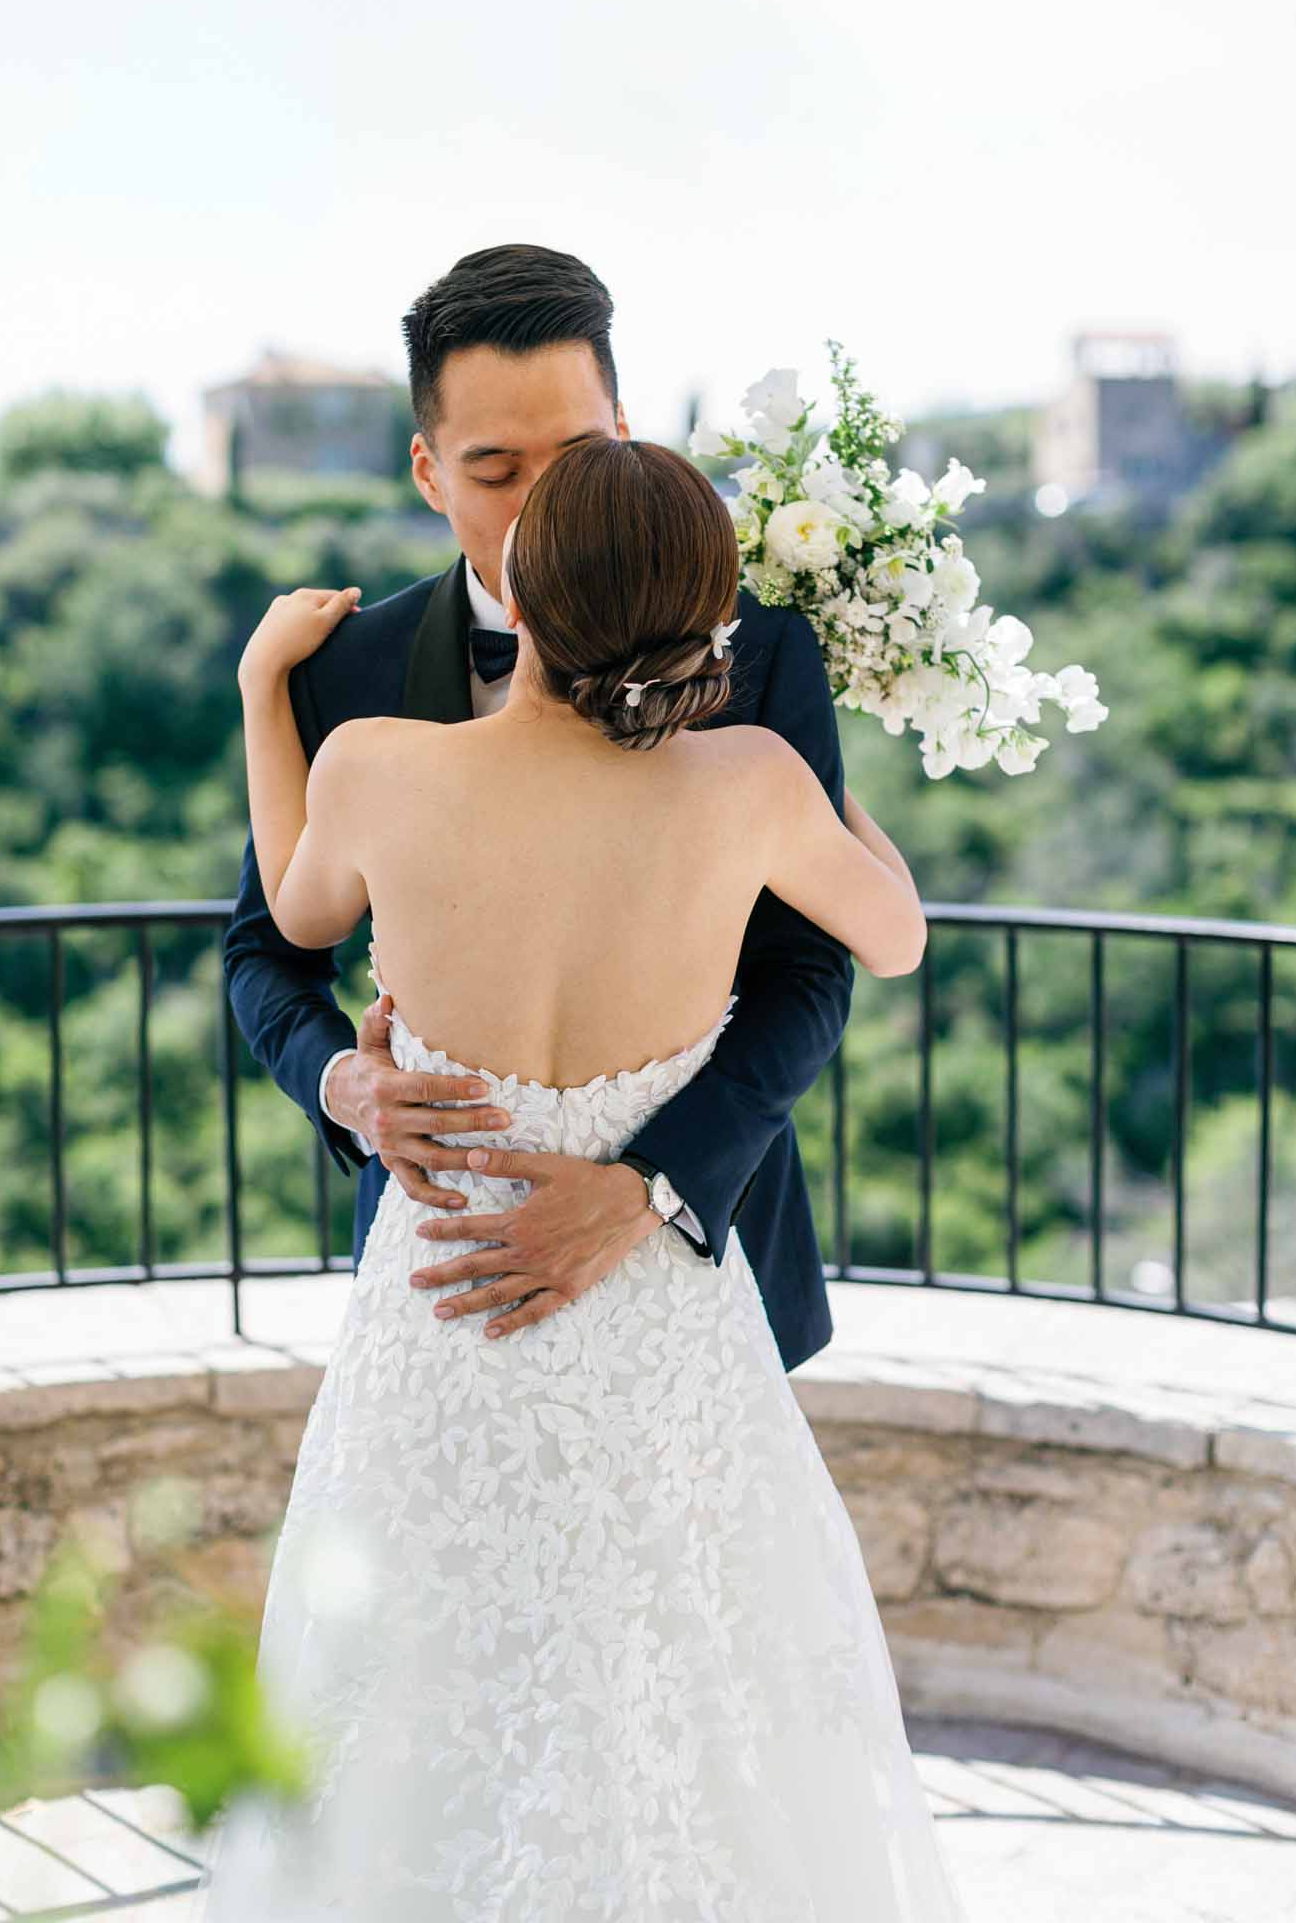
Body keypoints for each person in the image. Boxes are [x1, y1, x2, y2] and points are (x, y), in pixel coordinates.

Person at [193, 426, 970, 1919]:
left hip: (442, 1307)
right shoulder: (747, 784)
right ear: (709, 623)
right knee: (680, 1678)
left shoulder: (371, 766)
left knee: (418, 1681)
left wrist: (257, 687)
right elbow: (892, 934)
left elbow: (289, 902)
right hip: (656, 1321)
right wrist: (828, 789)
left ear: (522, 601)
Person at [222, 242, 853, 1378]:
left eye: (579, 456)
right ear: (427, 472)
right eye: (496, 468)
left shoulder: (755, 650)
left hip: (707, 1263)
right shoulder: (342, 672)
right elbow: (269, 946)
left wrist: (646, 1189)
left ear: (628, 429)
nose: (542, 509)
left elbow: (811, 971)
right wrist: (345, 1084)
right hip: (437, 1275)